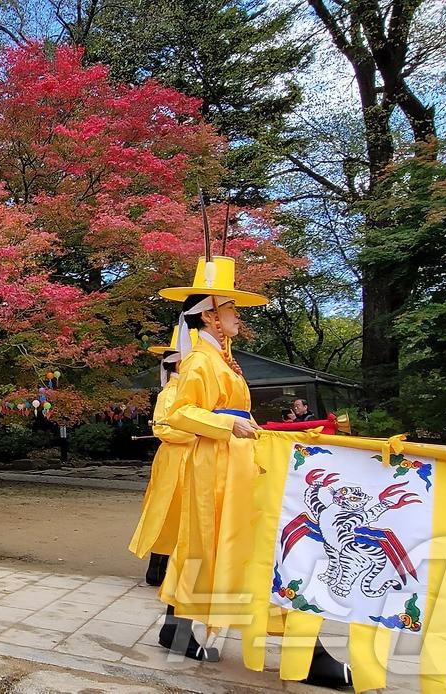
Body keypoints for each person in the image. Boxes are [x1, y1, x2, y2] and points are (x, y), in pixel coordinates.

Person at [157, 256, 349, 685]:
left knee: (217, 546)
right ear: (210, 314)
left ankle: (177, 629)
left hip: (234, 462)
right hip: (217, 466)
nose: (238, 317)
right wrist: (228, 422)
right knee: (257, 545)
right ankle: (304, 651)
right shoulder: (200, 362)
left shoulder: (222, 359)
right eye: (232, 309)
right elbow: (180, 413)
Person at [127, 327, 192, 588]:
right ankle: (157, 568)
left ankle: (174, 569)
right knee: (167, 511)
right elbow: (162, 428)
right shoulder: (170, 393)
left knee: (186, 514)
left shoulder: (191, 390)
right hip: (174, 459)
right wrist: (197, 433)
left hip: (190, 457)